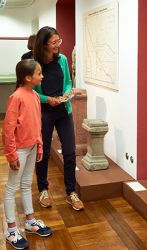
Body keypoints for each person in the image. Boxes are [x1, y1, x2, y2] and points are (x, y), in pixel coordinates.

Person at [3, 59, 52, 250]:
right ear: (28, 77)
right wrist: (11, 154)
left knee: (26, 185)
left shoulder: (35, 96)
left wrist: (39, 145)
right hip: (19, 150)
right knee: (11, 188)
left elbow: (37, 124)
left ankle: (30, 221)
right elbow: (8, 129)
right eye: (39, 73)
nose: (42, 76)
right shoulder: (17, 97)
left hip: (32, 147)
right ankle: (11, 229)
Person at [33, 26, 84, 211]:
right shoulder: (34, 63)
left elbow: (69, 81)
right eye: (54, 42)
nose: (58, 45)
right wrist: (48, 99)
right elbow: (30, 92)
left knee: (70, 152)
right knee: (43, 153)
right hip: (44, 113)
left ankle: (71, 192)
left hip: (64, 111)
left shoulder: (62, 59)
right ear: (44, 44)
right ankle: (43, 189)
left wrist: (66, 93)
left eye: (59, 41)